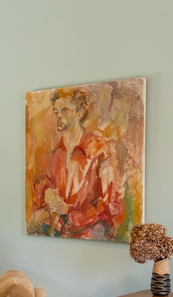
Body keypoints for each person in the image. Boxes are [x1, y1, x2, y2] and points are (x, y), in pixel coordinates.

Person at [29, 89, 123, 239]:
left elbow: (111, 205)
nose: (59, 116)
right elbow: (41, 180)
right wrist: (46, 192)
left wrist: (70, 212)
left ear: (80, 112)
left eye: (65, 110)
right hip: (61, 234)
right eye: (56, 111)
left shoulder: (99, 149)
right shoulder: (59, 152)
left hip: (92, 235)